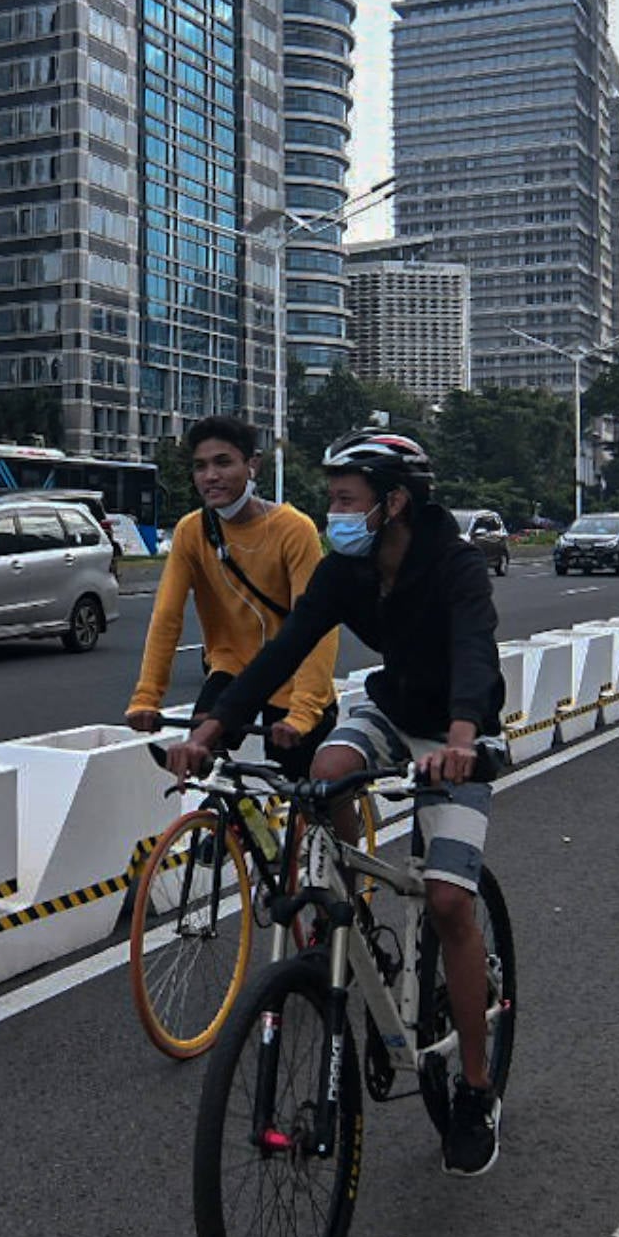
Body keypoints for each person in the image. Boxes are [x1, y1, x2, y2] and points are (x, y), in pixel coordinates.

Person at [165, 428, 508, 1178]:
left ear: (393, 503)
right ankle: (342, 907)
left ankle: (477, 1090)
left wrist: (457, 739)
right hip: (388, 712)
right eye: (330, 501)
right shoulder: (347, 569)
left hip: (457, 726)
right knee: (324, 767)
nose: (333, 514)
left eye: (346, 501)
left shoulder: (453, 564)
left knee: (450, 902)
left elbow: (476, 653)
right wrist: (209, 730)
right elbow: (283, 651)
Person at [124, 416, 337, 774]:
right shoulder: (191, 531)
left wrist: (304, 710)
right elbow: (167, 616)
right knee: (202, 762)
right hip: (230, 669)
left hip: (293, 677)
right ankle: (227, 828)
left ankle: (343, 832)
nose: (210, 476)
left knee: (314, 791)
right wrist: (147, 697)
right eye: (200, 466)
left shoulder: (294, 529)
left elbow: (318, 624)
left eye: (223, 462)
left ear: (252, 464)